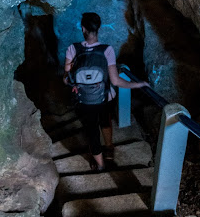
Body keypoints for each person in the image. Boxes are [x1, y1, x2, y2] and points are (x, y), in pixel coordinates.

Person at [63, 12, 149, 172]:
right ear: (99, 29)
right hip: (103, 98)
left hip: (84, 100)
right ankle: (109, 147)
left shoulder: (72, 49)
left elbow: (67, 78)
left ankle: (100, 165)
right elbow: (116, 81)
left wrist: (72, 81)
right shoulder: (107, 50)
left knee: (92, 131)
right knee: (104, 120)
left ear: (83, 29)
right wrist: (137, 85)